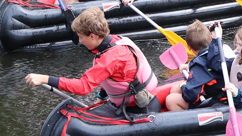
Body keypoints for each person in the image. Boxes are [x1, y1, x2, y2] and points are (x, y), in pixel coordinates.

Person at [24, 7, 159, 115]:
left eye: (82, 37)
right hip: (142, 100)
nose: (81, 41)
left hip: (141, 109)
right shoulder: (116, 40)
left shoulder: (110, 57)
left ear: (93, 36)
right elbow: (113, 77)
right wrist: (101, 97)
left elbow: (83, 87)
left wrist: (46, 79)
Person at [167, 22, 242, 110]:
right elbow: (216, 63)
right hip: (231, 100)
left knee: (174, 99)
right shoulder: (241, 61)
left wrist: (236, 92)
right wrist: (216, 39)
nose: (237, 48)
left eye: (240, 45)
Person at [154, 19, 215, 104]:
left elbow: (192, 95)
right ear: (211, 39)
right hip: (212, 90)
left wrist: (184, 86)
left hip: (210, 99)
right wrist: (190, 66)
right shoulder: (216, 53)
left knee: (170, 100)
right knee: (174, 89)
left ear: (188, 46)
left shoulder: (197, 66)